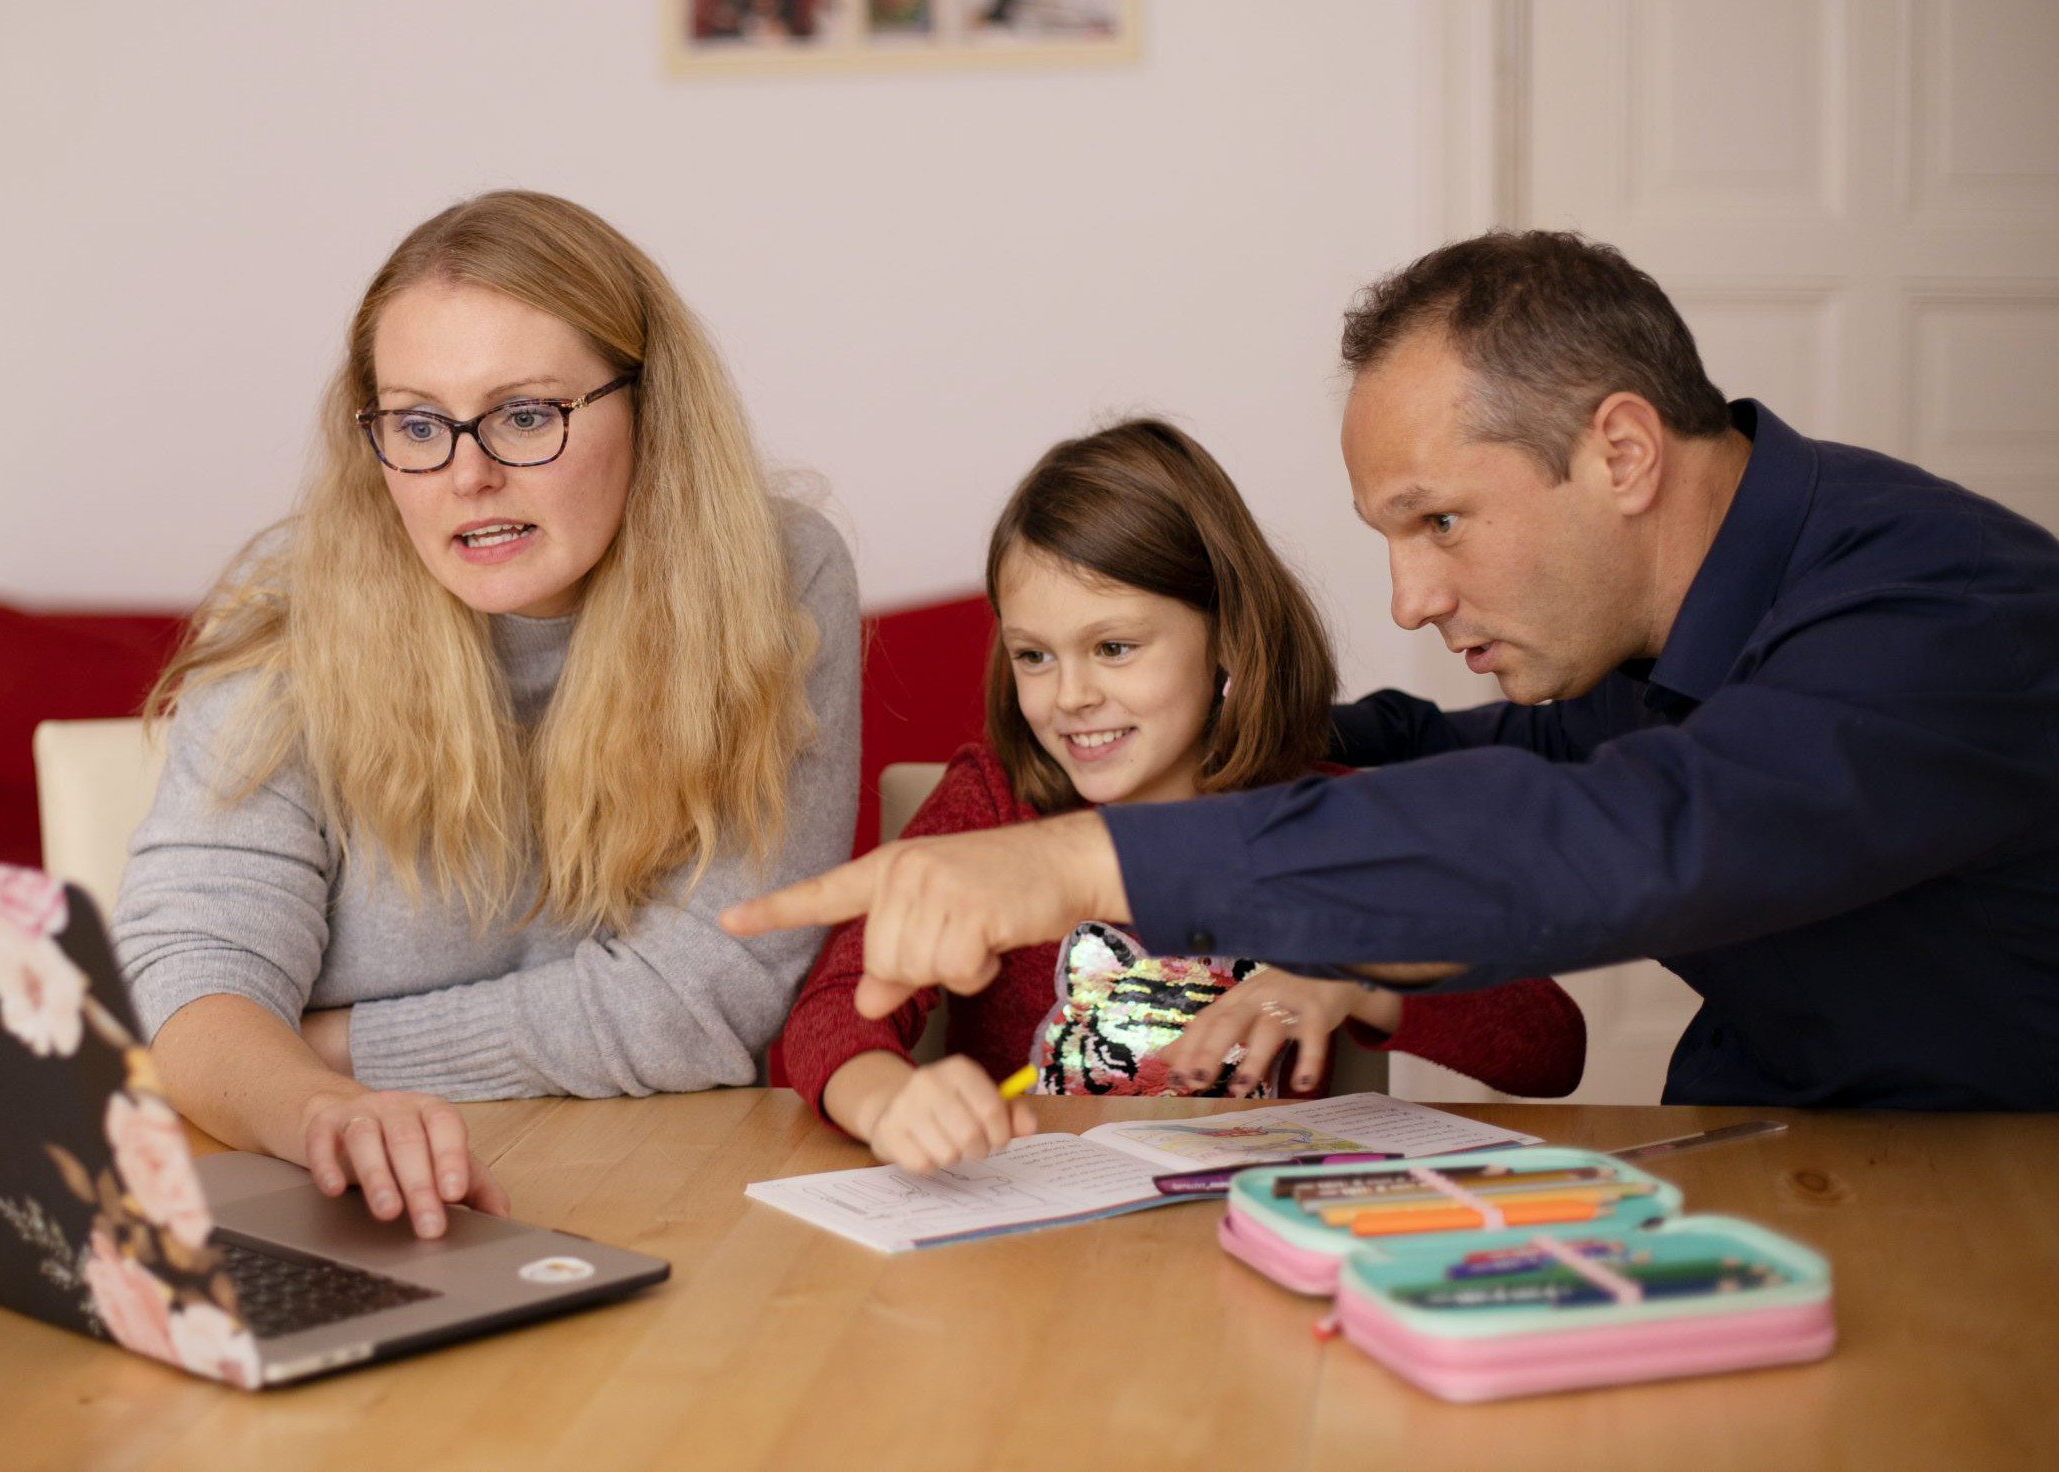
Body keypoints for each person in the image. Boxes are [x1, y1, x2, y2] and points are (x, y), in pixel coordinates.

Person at [728, 230, 2059, 1112]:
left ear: (1623, 453)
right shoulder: (1651, 637)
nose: (1412, 599)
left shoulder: (1943, 617)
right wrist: (1209, 748)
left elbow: (1631, 835)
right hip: (1770, 1148)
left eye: (1440, 522)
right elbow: (1469, 759)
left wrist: (1090, 861)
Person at [116, 191, 861, 1238]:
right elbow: (189, 982)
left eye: (524, 414)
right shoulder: (294, 610)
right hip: (335, 1200)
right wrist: (319, 1104)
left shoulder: (777, 576)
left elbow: (709, 1002)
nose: (467, 474)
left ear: (652, 409)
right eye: (418, 423)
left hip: (669, 1199)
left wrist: (318, 1044)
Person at [782, 420, 1584, 1171]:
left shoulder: (1323, 822)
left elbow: (1551, 1046)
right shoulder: (991, 803)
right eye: (1034, 656)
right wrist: (889, 1100)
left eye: (1115, 647)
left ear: (1228, 637)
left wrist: (1362, 978)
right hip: (1027, 1256)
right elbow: (828, 1013)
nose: (1070, 696)